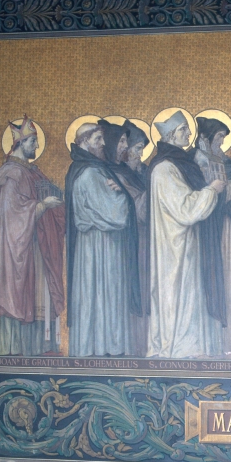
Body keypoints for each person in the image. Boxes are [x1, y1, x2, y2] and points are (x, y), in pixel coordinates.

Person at [146, 111, 226, 358]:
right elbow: (186, 209)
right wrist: (212, 190)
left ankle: (189, 348)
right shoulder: (164, 169)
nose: (189, 134)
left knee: (188, 295)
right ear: (170, 135)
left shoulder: (178, 163)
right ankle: (179, 350)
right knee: (179, 294)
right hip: (175, 247)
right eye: (183, 130)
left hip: (185, 242)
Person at [0, 115, 64, 356]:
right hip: (19, 248)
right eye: (33, 142)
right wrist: (42, 205)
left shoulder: (32, 171)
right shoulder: (11, 174)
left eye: (37, 141)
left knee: (39, 293)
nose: (37, 147)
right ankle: (18, 350)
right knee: (21, 293)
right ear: (19, 144)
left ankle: (41, 347)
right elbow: (12, 216)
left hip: (37, 245)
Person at [65, 122, 141, 356]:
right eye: (97, 139)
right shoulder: (90, 172)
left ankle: (96, 346)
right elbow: (114, 213)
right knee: (103, 293)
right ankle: (106, 347)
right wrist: (126, 194)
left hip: (97, 243)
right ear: (84, 142)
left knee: (97, 295)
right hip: (100, 245)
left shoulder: (88, 168)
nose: (102, 144)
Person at [190, 117, 231, 356]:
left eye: (224, 137)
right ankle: (213, 344)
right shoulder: (198, 161)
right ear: (205, 137)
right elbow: (218, 197)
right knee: (214, 281)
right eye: (218, 137)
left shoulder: (224, 161)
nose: (222, 142)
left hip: (228, 230)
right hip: (210, 232)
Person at [98, 119, 150, 357]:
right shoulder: (113, 173)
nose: (140, 154)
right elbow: (134, 208)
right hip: (127, 243)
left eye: (141, 149)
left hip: (144, 241)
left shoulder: (139, 172)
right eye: (137, 148)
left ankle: (142, 345)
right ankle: (132, 346)